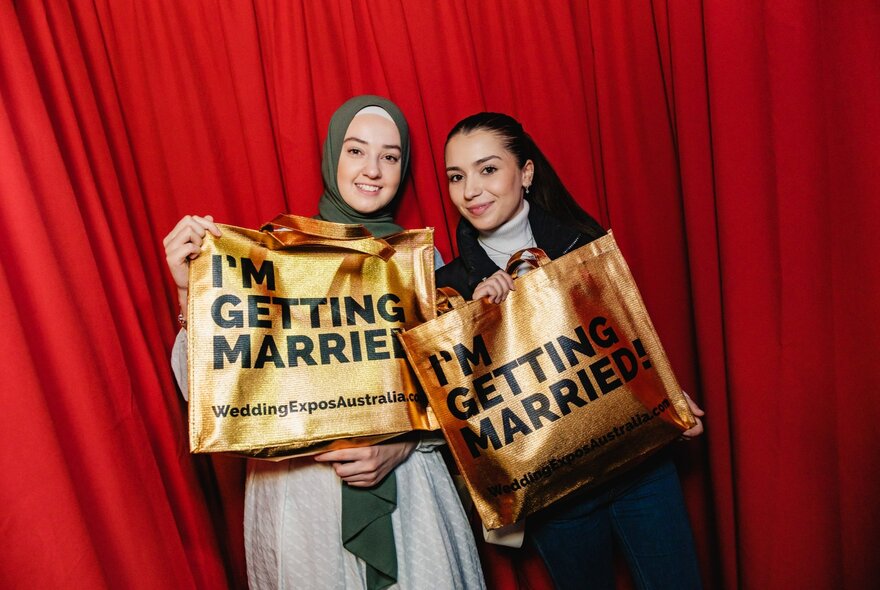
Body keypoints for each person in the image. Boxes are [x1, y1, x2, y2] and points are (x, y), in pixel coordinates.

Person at [163, 96, 485, 590]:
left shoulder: (422, 263)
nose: (373, 170)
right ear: (333, 154)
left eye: (390, 156)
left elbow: (463, 392)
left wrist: (404, 444)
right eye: (356, 151)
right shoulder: (272, 257)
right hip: (300, 500)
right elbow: (208, 395)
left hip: (412, 495)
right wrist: (191, 292)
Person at [436, 112, 705, 590]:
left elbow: (623, 342)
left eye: (488, 169)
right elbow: (464, 412)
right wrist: (474, 324)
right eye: (457, 176)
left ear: (527, 172)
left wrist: (669, 396)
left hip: (640, 468)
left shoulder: (584, 241)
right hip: (557, 493)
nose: (470, 190)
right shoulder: (450, 288)